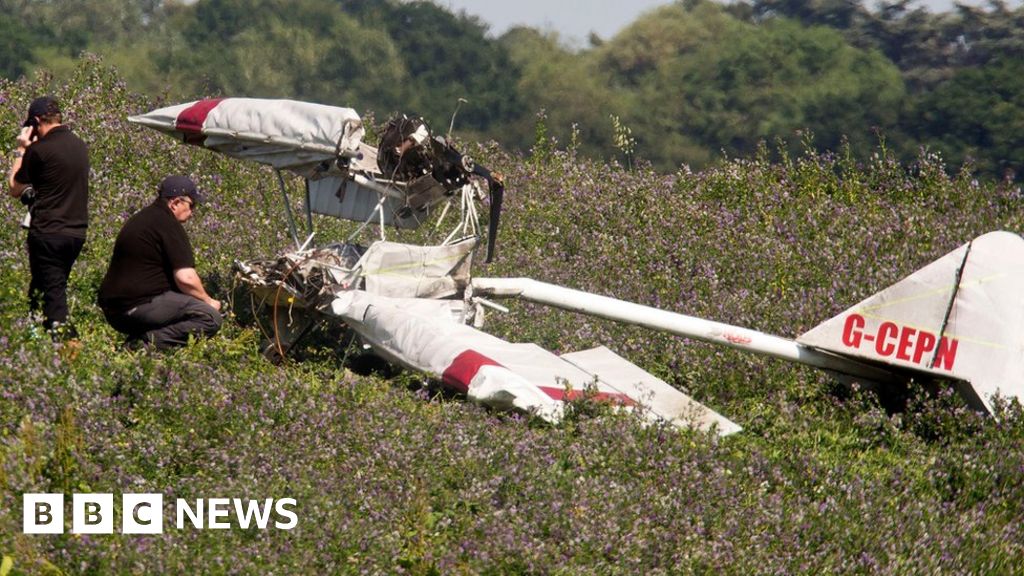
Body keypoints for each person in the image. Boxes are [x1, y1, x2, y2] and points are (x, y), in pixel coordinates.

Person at [97, 175, 222, 350]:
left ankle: (144, 347)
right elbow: (185, 278)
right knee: (209, 317)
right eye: (191, 205)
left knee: (182, 304)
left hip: (114, 308)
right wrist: (208, 301)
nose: (193, 212)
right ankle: (140, 346)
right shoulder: (168, 224)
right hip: (138, 304)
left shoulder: (143, 218)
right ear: (176, 203)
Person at [7, 96, 90, 339]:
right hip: (75, 234)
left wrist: (22, 150)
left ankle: (68, 355)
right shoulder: (79, 145)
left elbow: (14, 187)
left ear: (35, 122)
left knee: (54, 298)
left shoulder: (39, 150)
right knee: (40, 289)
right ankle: (33, 342)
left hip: (48, 233)